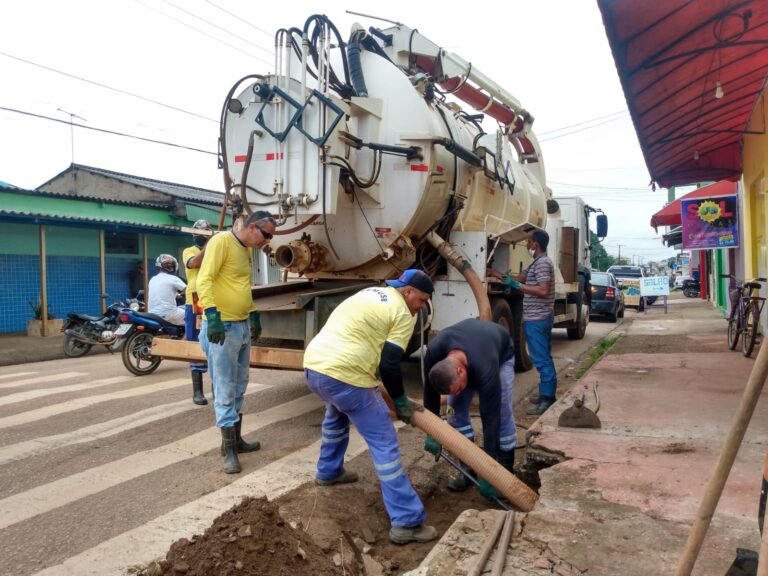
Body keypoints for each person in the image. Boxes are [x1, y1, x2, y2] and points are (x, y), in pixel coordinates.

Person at [303, 269, 438, 546]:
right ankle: (406, 521)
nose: (422, 307)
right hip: (346, 375)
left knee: (336, 413)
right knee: (384, 442)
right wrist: (400, 401)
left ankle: (328, 471)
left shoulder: (371, 293)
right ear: (408, 292)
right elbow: (390, 364)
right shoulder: (402, 313)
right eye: (422, 300)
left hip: (314, 367)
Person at [196, 210, 275, 474]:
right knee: (225, 387)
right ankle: (228, 450)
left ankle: (236, 440)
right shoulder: (221, 241)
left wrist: (253, 313)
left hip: (240, 325)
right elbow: (205, 279)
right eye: (266, 235)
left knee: (240, 384)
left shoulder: (246, 249)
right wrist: (212, 315)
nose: (267, 241)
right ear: (252, 227)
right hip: (223, 327)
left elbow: (241, 285)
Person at [421, 318, 516, 501]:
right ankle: (467, 468)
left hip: (500, 354)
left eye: (458, 388)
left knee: (502, 412)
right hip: (470, 351)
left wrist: (489, 473)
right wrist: (431, 431)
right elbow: (430, 394)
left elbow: (490, 418)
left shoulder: (486, 367)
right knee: (454, 411)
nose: (459, 393)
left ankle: (505, 471)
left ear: (460, 371)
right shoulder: (434, 353)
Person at [501, 229, 557, 416]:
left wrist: (518, 286)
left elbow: (543, 290)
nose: (526, 245)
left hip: (538, 318)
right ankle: (545, 393)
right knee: (543, 356)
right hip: (538, 317)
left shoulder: (542, 264)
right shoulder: (536, 263)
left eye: (528, 241)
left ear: (535, 244)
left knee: (541, 359)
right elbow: (521, 278)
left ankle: (547, 398)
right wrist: (502, 276)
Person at [182, 219, 213, 406]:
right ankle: (198, 391)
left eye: (204, 233)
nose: (200, 236)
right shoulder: (189, 251)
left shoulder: (215, 249)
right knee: (195, 342)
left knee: (215, 342)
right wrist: (210, 245)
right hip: (195, 300)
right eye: (198, 233)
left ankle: (217, 388)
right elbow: (194, 263)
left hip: (213, 298)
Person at [147, 254, 186, 326]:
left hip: (153, 314)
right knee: (193, 316)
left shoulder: (153, 279)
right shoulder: (173, 278)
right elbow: (189, 291)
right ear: (173, 267)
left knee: (181, 308)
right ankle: (188, 334)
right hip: (168, 313)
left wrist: (176, 295)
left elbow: (162, 292)